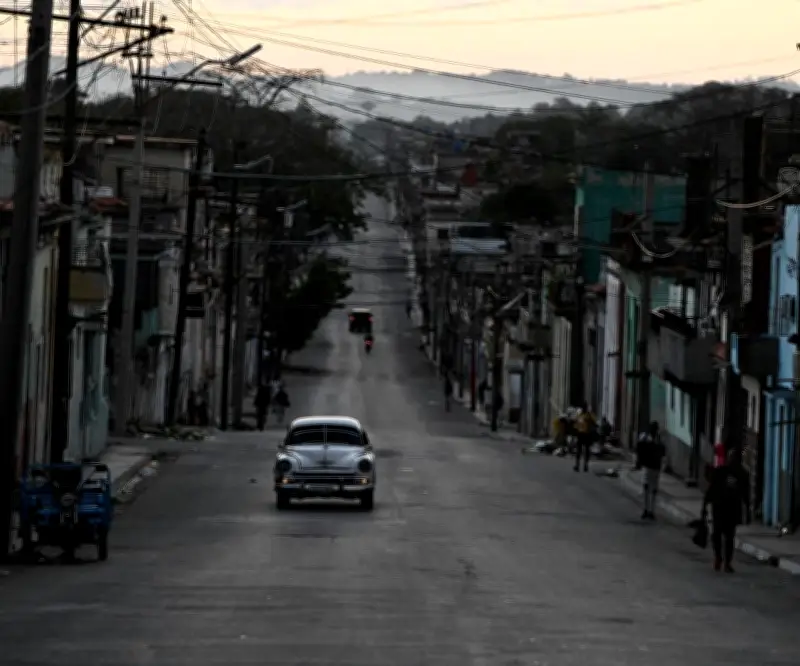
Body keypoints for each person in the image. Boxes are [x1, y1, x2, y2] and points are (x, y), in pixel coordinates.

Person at [702, 448, 751, 573]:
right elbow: (711, 490)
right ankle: (718, 558)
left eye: (735, 459)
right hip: (719, 508)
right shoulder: (720, 472)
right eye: (731, 458)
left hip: (732, 509)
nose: (733, 461)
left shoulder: (742, 474)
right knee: (717, 535)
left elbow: (746, 495)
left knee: (729, 537)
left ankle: (727, 562)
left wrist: (748, 511)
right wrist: (704, 506)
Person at [635, 421, 665, 520]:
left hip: (649, 466)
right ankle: (650, 510)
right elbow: (663, 452)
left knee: (648, 488)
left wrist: (639, 462)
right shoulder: (657, 439)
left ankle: (647, 509)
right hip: (654, 466)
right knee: (652, 489)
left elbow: (639, 449)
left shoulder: (646, 437)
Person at [574, 402, 597, 472]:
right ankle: (577, 465)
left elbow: (594, 423)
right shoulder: (579, 415)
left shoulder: (589, 415)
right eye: (583, 407)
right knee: (579, 451)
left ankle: (585, 465)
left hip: (587, 434)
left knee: (586, 451)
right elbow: (576, 424)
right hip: (580, 434)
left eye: (585, 407)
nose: (584, 409)